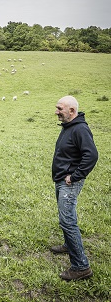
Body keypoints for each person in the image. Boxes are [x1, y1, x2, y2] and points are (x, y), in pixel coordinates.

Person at [51, 96, 98, 281]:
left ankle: (81, 267)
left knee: (67, 220)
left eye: (60, 108)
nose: (56, 111)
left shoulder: (80, 129)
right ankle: (68, 245)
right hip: (62, 180)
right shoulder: (69, 126)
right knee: (67, 218)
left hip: (69, 182)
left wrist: (75, 176)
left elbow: (92, 155)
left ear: (72, 111)